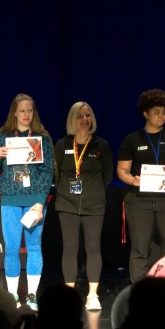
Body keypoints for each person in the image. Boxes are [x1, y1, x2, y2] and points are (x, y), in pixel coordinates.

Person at [0, 93, 54, 311]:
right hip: (10, 200)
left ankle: (32, 295)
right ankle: (12, 295)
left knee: (34, 246)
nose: (26, 114)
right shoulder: (3, 136)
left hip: (34, 202)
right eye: (22, 110)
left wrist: (40, 201)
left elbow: (48, 172)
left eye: (30, 110)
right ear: (14, 112)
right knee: (12, 247)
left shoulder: (42, 138)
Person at [116, 89, 165, 282]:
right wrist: (132, 179)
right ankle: (140, 290)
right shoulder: (132, 139)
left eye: (164, 112)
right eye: (157, 112)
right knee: (140, 248)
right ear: (145, 114)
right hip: (140, 201)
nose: (162, 116)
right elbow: (122, 170)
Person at [53, 101, 113, 311]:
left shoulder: (102, 146)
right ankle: (69, 295)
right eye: (80, 116)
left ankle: (92, 295)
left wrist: (93, 191)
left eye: (88, 115)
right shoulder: (62, 144)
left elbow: (107, 176)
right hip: (67, 204)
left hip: (94, 205)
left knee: (93, 248)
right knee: (70, 249)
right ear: (72, 120)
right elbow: (57, 172)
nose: (85, 120)